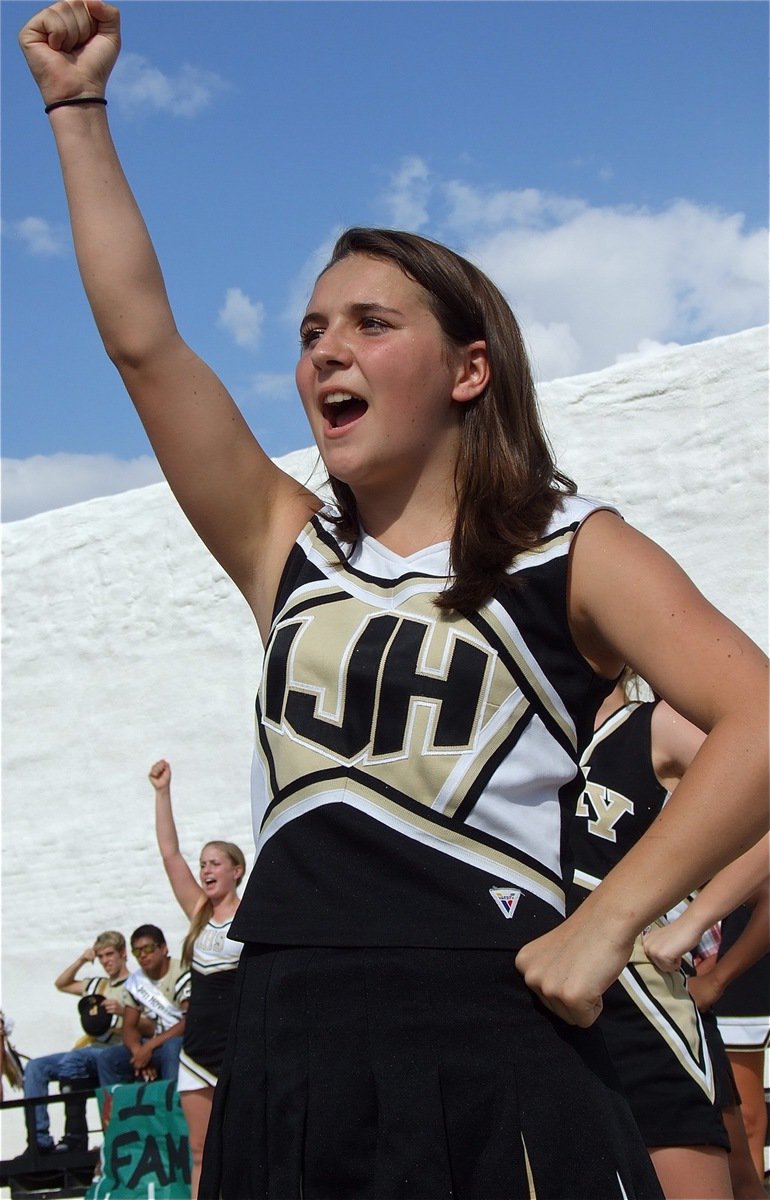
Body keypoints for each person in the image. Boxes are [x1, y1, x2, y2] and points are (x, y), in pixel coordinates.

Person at [17, 4, 769, 1196]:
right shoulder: (285, 545)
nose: (325, 351)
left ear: (470, 368)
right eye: (312, 330)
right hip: (285, 1037)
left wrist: (613, 920)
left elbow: (758, 721)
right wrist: (76, 109)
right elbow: (145, 345)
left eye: (371, 324)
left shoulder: (573, 551)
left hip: (485, 1028)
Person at [570, 673, 766, 1199]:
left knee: (718, 1168)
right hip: (537, 999)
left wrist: (692, 924)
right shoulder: (529, 729)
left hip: (641, 1004)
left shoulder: (654, 724)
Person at [645, 846, 770, 1189]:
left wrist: (715, 980)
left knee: (739, 1146)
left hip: (678, 1012)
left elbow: (765, 886)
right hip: (596, 1013)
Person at [149, 759, 245, 1198]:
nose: (205, 871)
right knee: (200, 1151)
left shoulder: (252, 918)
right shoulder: (198, 914)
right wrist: (162, 792)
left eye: (215, 864)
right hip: (197, 1052)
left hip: (240, 1048)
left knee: (245, 1146)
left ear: (236, 870)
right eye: (203, 864)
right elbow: (170, 855)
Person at [22, 930, 131, 1153]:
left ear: (123, 953)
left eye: (109, 954)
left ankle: (75, 1134)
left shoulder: (135, 984)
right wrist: (82, 959)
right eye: (101, 957)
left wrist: (123, 1012)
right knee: (35, 1067)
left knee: (75, 1059)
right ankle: (38, 1139)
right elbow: (61, 984)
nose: (105, 961)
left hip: (118, 1049)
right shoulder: (96, 985)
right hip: (91, 1049)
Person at [96, 925, 191, 1087]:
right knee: (108, 1058)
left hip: (183, 1044)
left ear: (163, 948)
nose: (143, 955)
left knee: (172, 1047)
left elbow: (188, 1021)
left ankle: (171, 1107)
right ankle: (115, 1110)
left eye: (148, 949)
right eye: (137, 952)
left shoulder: (182, 972)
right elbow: (129, 1028)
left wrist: (148, 1048)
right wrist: (138, 1053)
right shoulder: (136, 983)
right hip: (154, 1046)